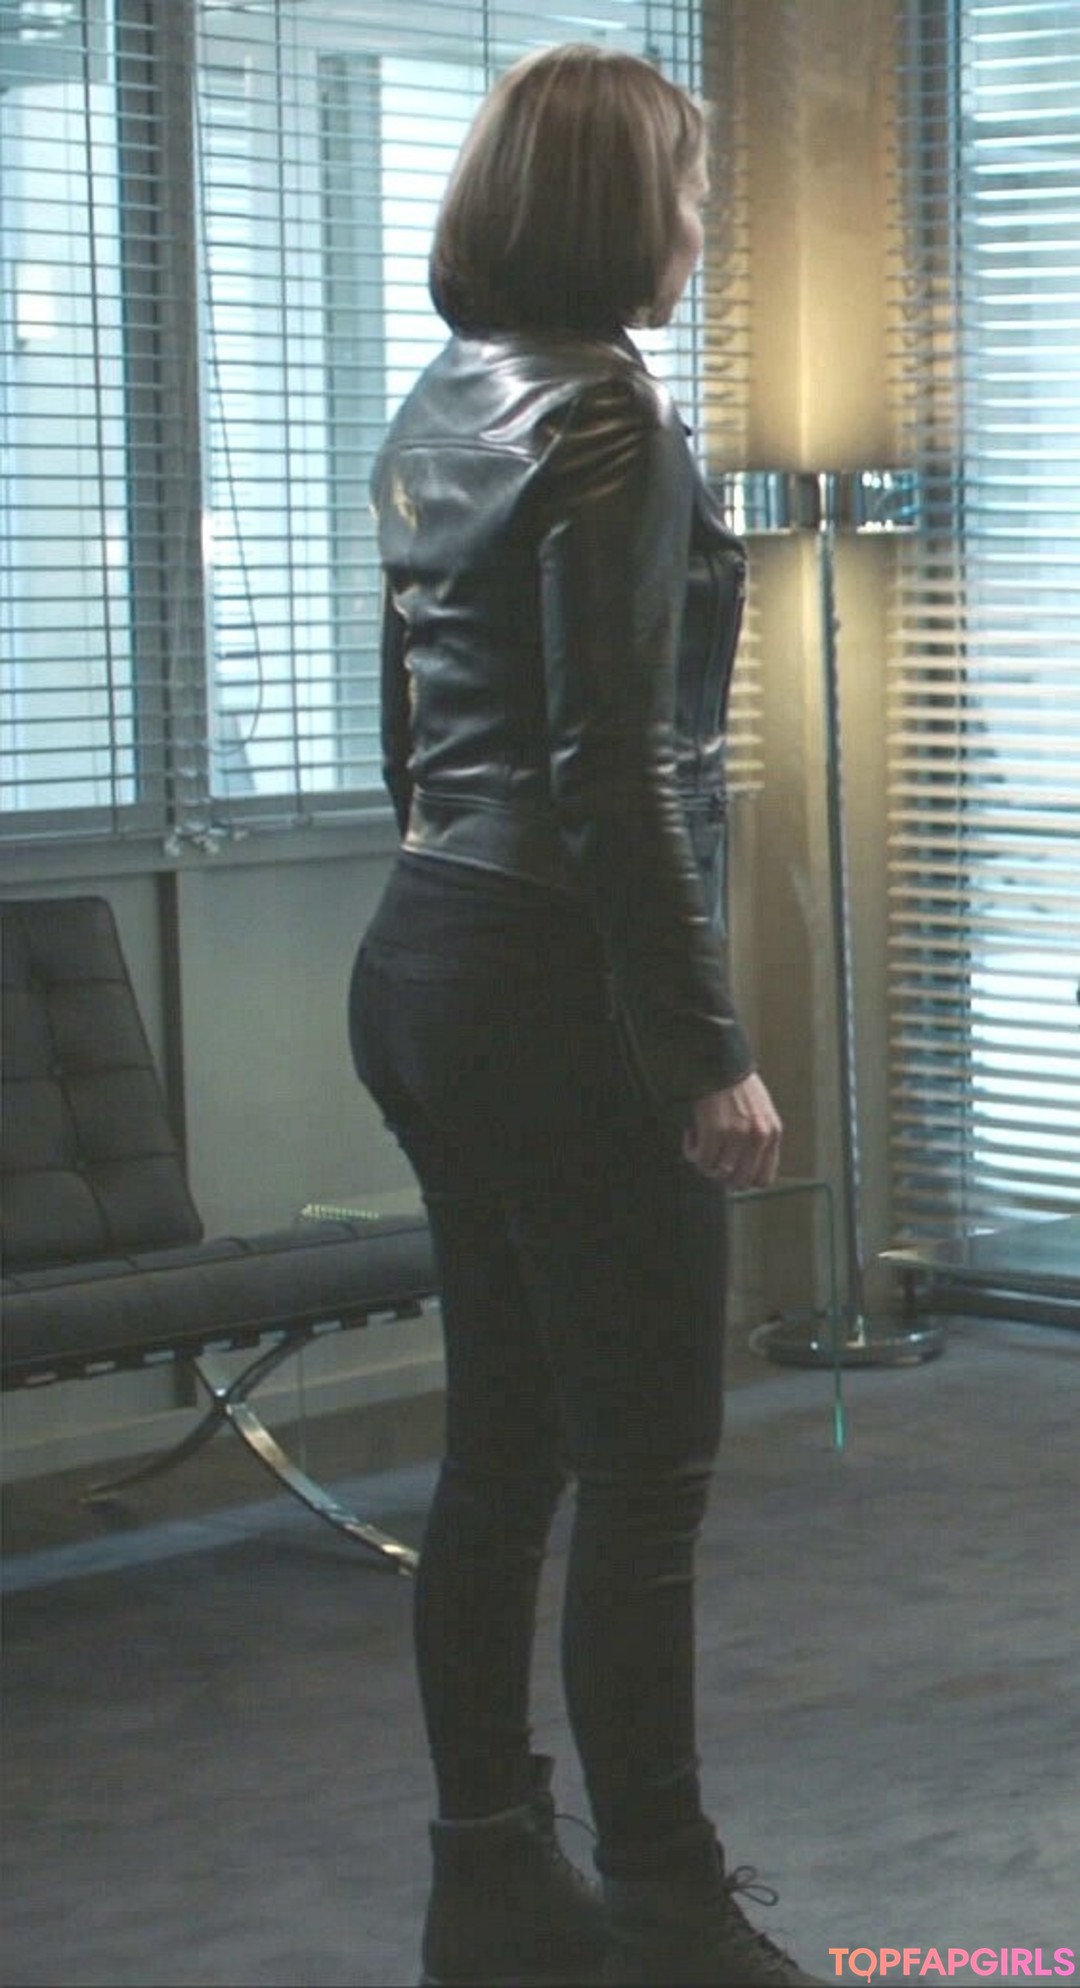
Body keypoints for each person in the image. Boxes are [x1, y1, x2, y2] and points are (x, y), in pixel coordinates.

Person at [349, 43, 825, 1988]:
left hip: (428, 954)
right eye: (689, 191)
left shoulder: (442, 396)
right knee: (645, 1470)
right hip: (557, 981)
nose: (702, 225)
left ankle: (489, 1884)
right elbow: (614, 769)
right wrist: (705, 1048)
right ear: (624, 208)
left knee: (505, 1454)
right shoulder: (611, 413)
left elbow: (410, 738)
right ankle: (668, 1902)